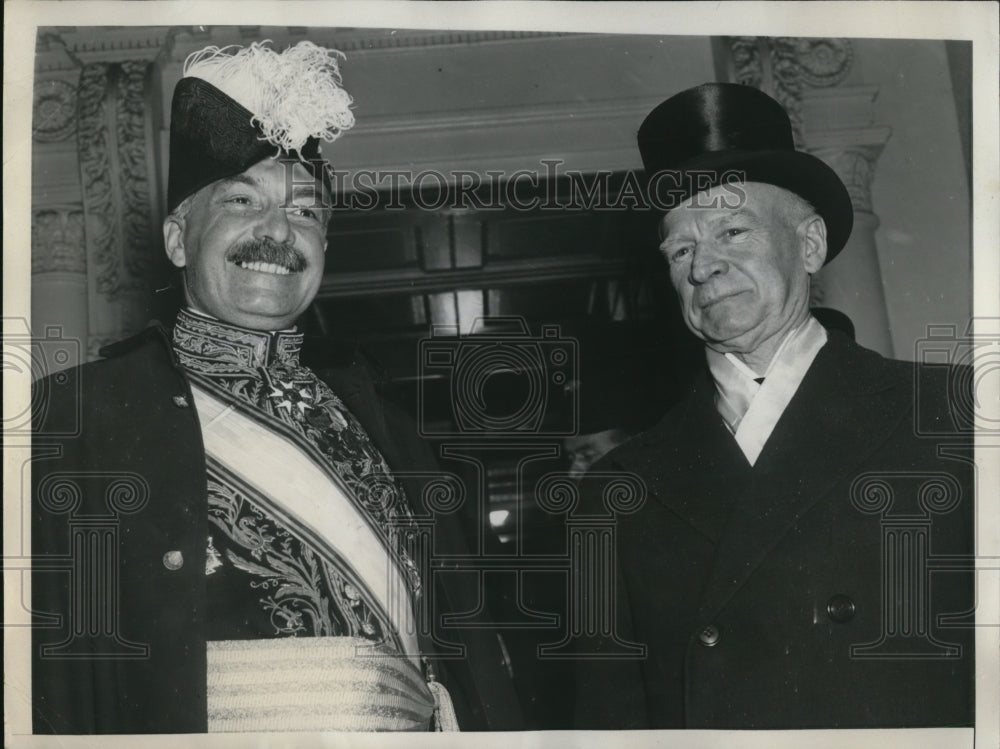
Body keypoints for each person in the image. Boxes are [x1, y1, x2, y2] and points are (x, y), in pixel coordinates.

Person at [30, 40, 520, 734]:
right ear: (177, 239)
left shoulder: (386, 423)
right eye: (241, 200)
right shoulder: (74, 419)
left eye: (306, 211)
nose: (276, 231)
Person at [573, 83, 974, 729]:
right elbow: (607, 717)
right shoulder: (621, 487)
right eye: (680, 249)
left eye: (732, 229)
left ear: (809, 245)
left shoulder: (953, 415)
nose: (704, 266)